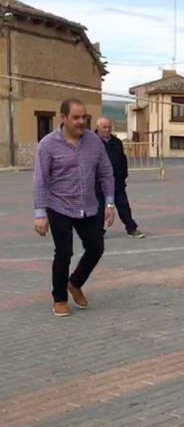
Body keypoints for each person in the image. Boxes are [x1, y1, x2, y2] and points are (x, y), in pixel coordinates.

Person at [33, 98, 115, 317]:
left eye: (84, 118)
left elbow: (106, 172)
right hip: (58, 205)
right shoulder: (48, 145)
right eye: (76, 117)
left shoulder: (94, 142)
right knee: (64, 252)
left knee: (96, 247)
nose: (81, 122)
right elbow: (40, 180)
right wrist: (40, 213)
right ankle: (59, 299)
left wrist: (109, 203)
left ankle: (75, 282)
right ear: (64, 118)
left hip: (88, 206)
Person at [95, 117, 145, 238]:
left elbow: (123, 160)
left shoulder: (117, 142)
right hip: (98, 183)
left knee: (123, 206)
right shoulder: (91, 142)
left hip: (117, 182)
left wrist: (123, 176)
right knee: (99, 208)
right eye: (104, 127)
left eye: (109, 127)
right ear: (98, 128)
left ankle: (131, 229)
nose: (107, 130)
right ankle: (97, 232)